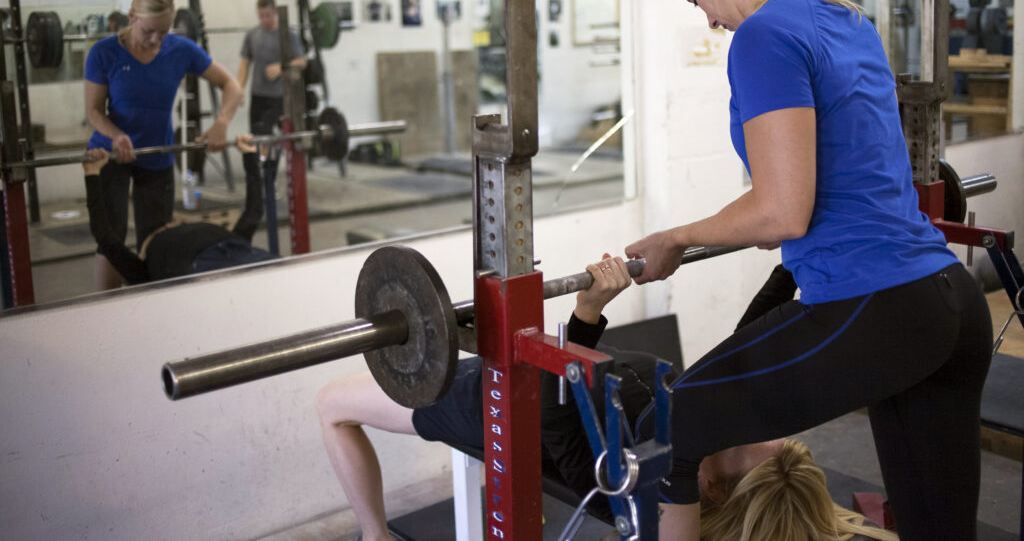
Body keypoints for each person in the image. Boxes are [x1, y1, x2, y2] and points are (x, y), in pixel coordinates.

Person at [623, 0, 991, 540]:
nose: (707, 20)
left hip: (873, 303)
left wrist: (676, 237)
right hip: (949, 300)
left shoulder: (763, 35)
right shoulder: (843, 18)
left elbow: (782, 212)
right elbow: (821, 189)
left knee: (676, 419)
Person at [316, 256, 896, 541]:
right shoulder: (709, 436)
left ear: (714, 486)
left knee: (331, 406)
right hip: (533, 383)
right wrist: (796, 259)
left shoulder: (637, 487)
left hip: (500, 407)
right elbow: (743, 347)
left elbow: (550, 397)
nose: (768, 434)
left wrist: (586, 315)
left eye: (763, 450)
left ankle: (373, 534)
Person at [85, 0, 243, 290]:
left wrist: (222, 122)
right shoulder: (103, 53)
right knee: (110, 239)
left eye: (164, 30)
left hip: (156, 155)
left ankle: (153, 308)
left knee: (156, 239)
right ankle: (106, 312)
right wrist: (117, 136)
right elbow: (93, 111)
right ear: (132, 16)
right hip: (110, 156)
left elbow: (232, 86)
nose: (156, 39)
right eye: (148, 31)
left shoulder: (180, 49)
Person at [83, 135, 273, 284]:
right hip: (209, 265)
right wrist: (92, 174)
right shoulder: (143, 272)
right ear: (142, 251)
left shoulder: (235, 238)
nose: (167, 225)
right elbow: (105, 238)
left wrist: (249, 155)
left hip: (243, 253)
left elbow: (254, 212)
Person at [237, 0, 307, 137]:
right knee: (257, 138)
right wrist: (239, 89)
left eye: (267, 15)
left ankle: (273, 160)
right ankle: (261, 159)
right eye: (261, 16)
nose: (264, 19)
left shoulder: (289, 34)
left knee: (282, 139)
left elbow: (302, 61)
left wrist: (282, 67)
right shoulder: (252, 35)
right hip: (258, 96)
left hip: (281, 97)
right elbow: (245, 64)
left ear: (275, 12)